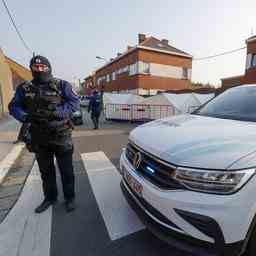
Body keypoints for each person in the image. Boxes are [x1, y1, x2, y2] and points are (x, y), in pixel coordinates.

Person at [9, 55, 80, 213]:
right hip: (39, 137)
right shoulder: (24, 88)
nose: (40, 70)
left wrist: (59, 112)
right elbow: (13, 106)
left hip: (61, 135)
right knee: (46, 172)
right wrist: (25, 116)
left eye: (43, 67)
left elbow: (74, 102)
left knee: (66, 171)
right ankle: (50, 198)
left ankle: (70, 198)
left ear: (48, 67)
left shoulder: (61, 85)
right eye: (36, 67)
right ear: (32, 69)